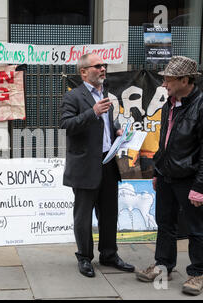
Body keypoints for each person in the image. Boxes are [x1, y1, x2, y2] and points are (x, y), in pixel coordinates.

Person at [135, 56, 203, 296]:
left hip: (189, 180)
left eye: (169, 79)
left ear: (185, 79)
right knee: (165, 224)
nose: (164, 84)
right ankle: (163, 266)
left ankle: (195, 274)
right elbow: (164, 142)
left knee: (194, 228)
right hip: (166, 176)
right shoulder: (169, 104)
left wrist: (200, 187)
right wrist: (157, 171)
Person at [60, 53, 135, 278]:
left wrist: (117, 131)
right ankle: (84, 257)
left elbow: (105, 125)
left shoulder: (105, 95)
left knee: (109, 213)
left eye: (104, 65)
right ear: (84, 72)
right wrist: (92, 112)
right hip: (84, 166)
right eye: (97, 66)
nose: (103, 69)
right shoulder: (74, 97)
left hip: (107, 163)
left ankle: (109, 254)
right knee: (83, 216)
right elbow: (66, 124)